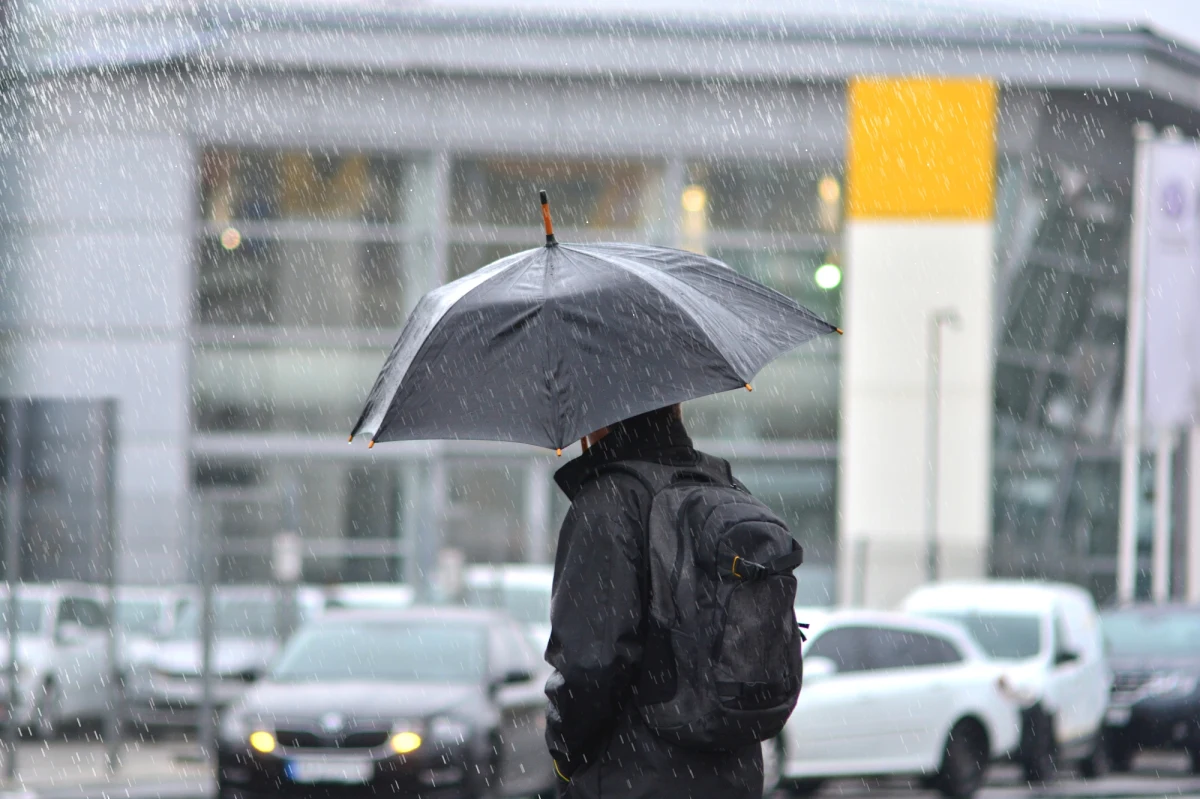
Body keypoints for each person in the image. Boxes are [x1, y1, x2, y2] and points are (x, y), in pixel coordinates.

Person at [544, 404, 764, 799]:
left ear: (602, 418)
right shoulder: (728, 491)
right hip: (734, 777)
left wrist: (565, 756)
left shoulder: (608, 503)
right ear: (675, 408)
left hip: (632, 779)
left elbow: (589, 668)